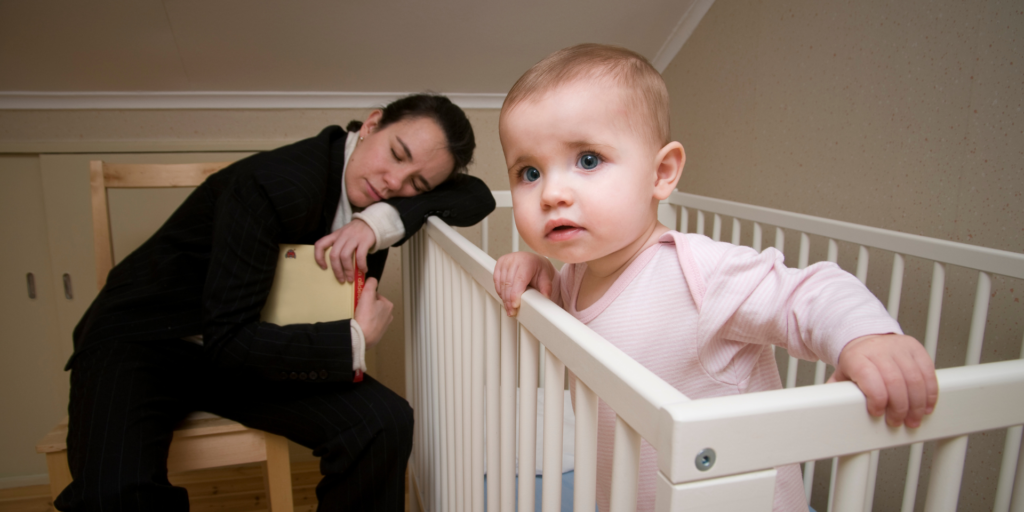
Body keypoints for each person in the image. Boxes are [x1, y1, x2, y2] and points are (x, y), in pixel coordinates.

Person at [493, 44, 938, 512]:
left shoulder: (701, 272)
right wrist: (538, 269)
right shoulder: (576, 276)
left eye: (587, 160)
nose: (552, 193)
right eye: (529, 171)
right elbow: (563, 317)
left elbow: (807, 292)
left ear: (661, 173)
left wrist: (865, 336)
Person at [58, 94, 496, 512]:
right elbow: (228, 341)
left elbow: (477, 196)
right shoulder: (275, 183)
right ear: (371, 124)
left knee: (383, 423)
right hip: (146, 337)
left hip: (249, 349)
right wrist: (354, 342)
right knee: (114, 493)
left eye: (417, 184)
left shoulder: (389, 202)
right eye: (397, 154)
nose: (394, 184)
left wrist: (381, 219)